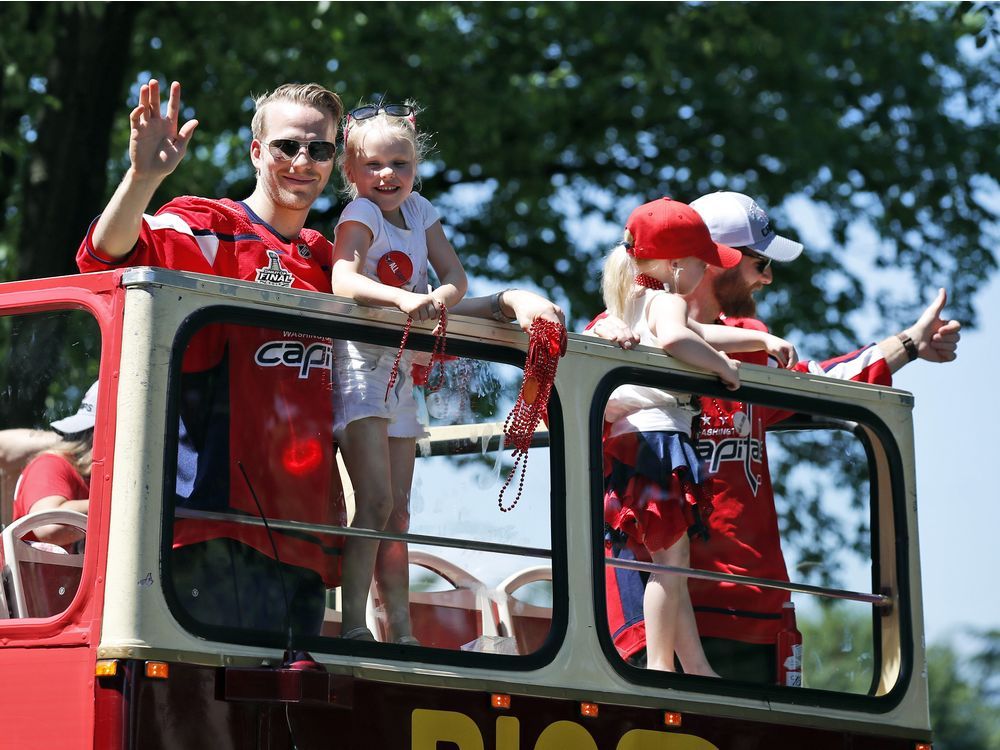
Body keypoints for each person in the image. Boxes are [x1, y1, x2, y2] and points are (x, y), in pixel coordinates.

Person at [75, 78, 566, 640]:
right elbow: (108, 257)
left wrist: (509, 301)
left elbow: (418, 311)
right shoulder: (212, 227)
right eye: (287, 146)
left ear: (336, 162)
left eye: (320, 149)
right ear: (257, 151)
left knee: (286, 724)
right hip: (216, 532)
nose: (302, 161)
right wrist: (143, 178)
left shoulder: (326, 262)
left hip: (307, 544)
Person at [593, 190, 961, 681]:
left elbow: (821, 381)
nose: (767, 278)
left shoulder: (748, 344)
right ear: (711, 259)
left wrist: (910, 344)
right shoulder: (616, 335)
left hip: (751, 613)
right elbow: (562, 417)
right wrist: (607, 363)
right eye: (758, 262)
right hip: (649, 605)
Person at [598, 197, 798, 674]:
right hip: (658, 441)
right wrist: (724, 369)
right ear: (678, 265)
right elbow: (677, 338)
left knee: (673, 564)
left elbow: (695, 332)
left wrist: (760, 340)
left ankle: (695, 665)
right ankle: (663, 665)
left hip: (634, 446)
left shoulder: (628, 304)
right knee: (670, 566)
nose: (765, 277)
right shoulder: (665, 300)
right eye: (704, 262)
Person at [329, 99, 468, 643]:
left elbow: (454, 276)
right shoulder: (359, 215)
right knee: (376, 502)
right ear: (352, 173)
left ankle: (402, 631)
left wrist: (439, 298)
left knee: (400, 512)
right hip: (361, 365)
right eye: (373, 166)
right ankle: (353, 625)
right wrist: (403, 300)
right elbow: (343, 279)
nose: (388, 176)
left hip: (401, 367)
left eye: (400, 164)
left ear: (416, 166)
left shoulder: (421, 213)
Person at [11, 382, 97, 548]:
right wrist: (117, 502)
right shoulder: (50, 464)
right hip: (34, 574)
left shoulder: (91, 480)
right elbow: (50, 525)